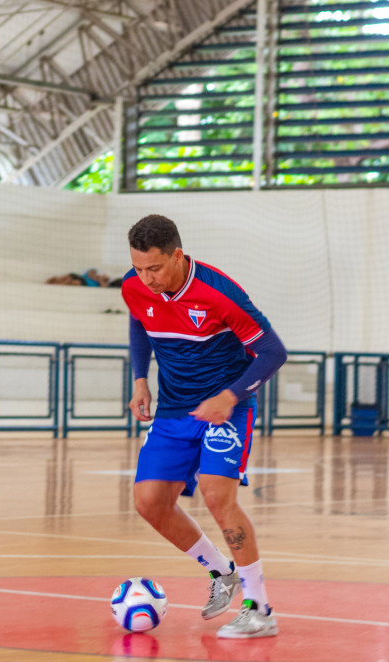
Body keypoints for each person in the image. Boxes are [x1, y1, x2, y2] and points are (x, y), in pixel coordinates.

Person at [121, 214, 287, 640]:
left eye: (154, 268)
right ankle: (221, 572)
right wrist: (140, 378)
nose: (146, 278)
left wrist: (230, 396)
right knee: (149, 501)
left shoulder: (218, 292)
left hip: (225, 406)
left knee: (217, 495)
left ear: (177, 255)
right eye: (138, 268)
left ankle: (260, 609)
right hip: (174, 410)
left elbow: (272, 351)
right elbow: (140, 320)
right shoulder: (135, 285)